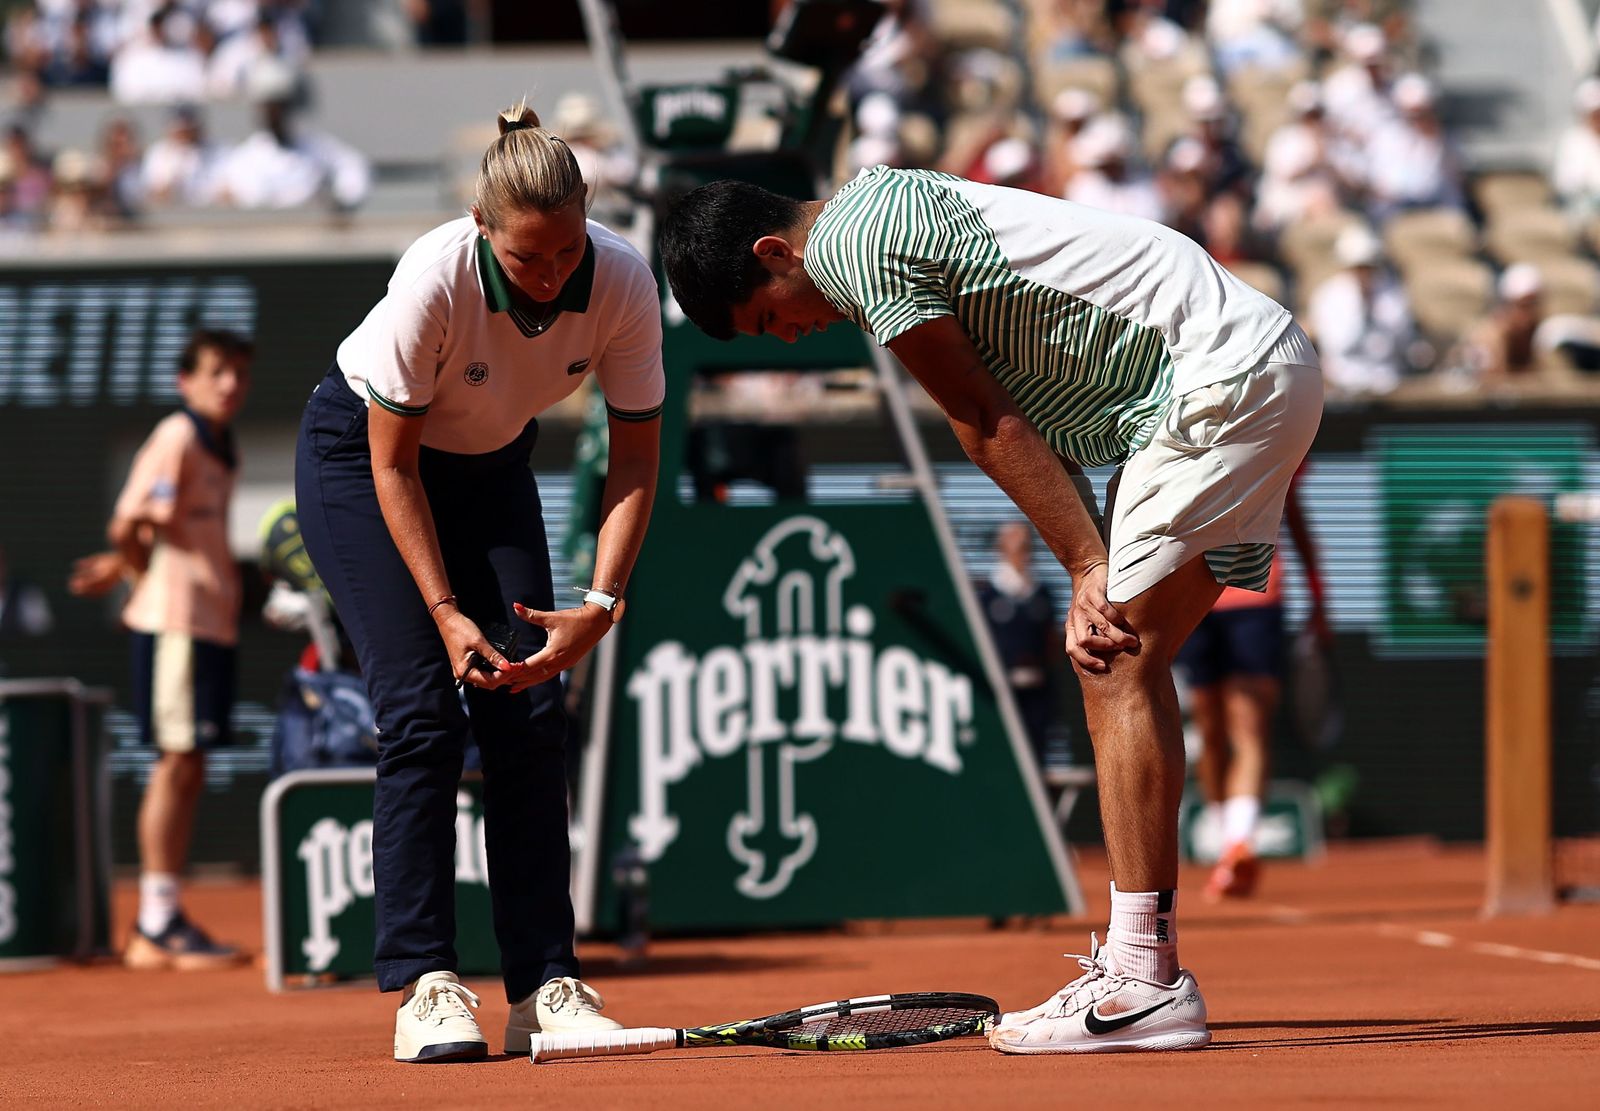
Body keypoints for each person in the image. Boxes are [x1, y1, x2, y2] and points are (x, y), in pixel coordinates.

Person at [659, 165, 1322, 1054]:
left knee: (1112, 657)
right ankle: (1144, 965)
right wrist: (1088, 553)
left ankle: (1143, 976)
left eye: (769, 316)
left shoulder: (853, 246)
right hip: (1253, 367)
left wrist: (1086, 562)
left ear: (775, 252)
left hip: (1217, 378)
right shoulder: (880, 202)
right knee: (1134, 658)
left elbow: (980, 415)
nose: (789, 336)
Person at [293, 100, 663, 1064]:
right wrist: (447, 610)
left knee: (530, 713)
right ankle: (424, 983)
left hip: (491, 470)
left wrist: (599, 606)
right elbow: (392, 466)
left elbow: (635, 461)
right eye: (527, 257)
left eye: (567, 250)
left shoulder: (623, 280)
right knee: (422, 711)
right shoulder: (435, 277)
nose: (551, 276)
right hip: (363, 465)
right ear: (481, 227)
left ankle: (544, 985)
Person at [67, 329, 254, 970]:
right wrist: (139, 571)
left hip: (208, 622)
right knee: (176, 763)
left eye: (238, 373)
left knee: (189, 764)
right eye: (216, 371)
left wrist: (126, 566)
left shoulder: (220, 440)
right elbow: (128, 520)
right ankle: (155, 923)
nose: (230, 384)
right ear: (186, 382)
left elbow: (160, 528)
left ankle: (162, 915)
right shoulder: (177, 434)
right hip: (177, 623)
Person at [1178, 469, 1328, 901]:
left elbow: (1292, 511)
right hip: (1195, 596)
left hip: (1256, 598)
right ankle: (1227, 838)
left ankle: (1238, 845)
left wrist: (1319, 596)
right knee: (1210, 731)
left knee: (1250, 726)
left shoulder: (1276, 436)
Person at [976, 521, 1058, 768]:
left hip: (1037, 692)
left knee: (1036, 754)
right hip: (1000, 692)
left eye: (1026, 546)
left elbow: (1050, 641)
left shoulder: (1041, 594)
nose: (1022, 551)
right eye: (1015, 545)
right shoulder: (988, 596)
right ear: (1001, 548)